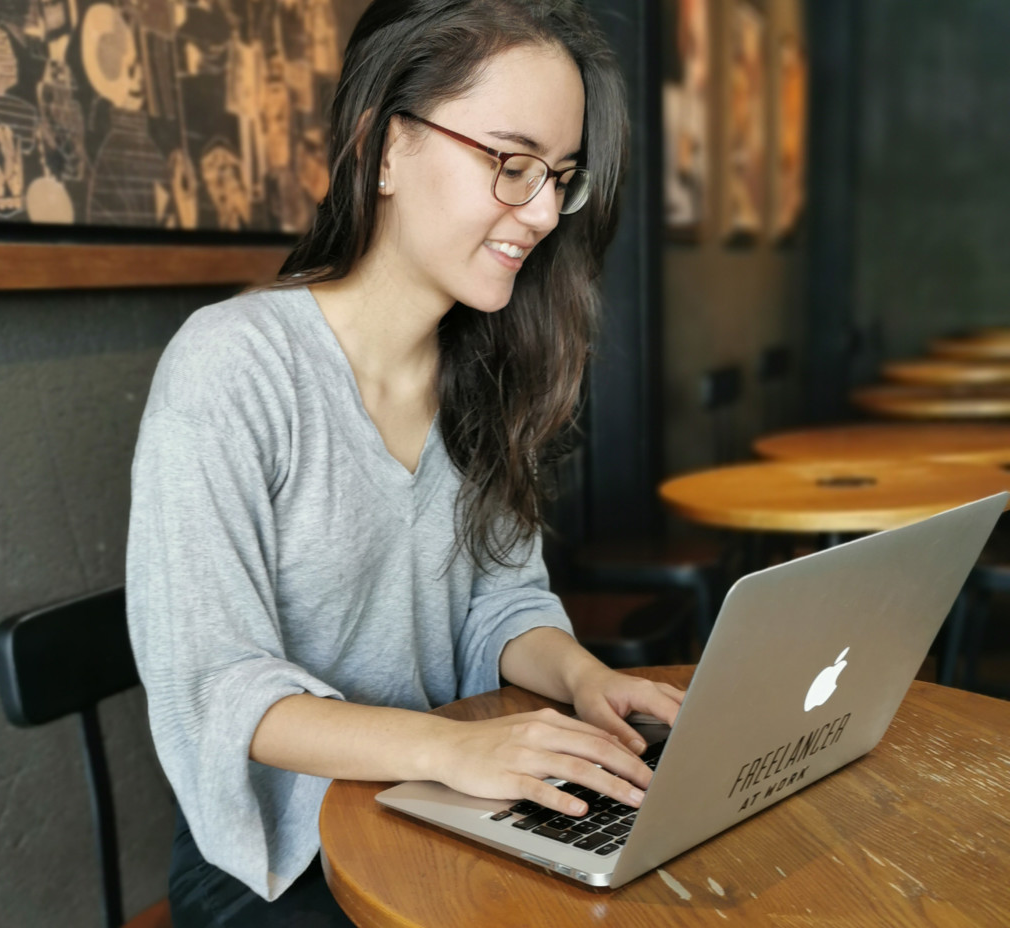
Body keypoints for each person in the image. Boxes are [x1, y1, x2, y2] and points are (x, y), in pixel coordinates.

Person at [126, 1, 685, 924]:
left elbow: (502, 602)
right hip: (281, 858)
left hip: (437, 803)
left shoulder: (488, 364)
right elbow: (217, 688)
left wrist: (585, 678)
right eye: (511, 164)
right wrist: (449, 750)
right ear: (385, 148)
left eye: (561, 176)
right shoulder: (232, 366)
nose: (543, 212)